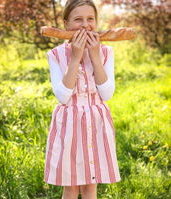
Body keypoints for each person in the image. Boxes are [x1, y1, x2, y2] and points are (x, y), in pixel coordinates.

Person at [44, 0, 121, 198]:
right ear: (66, 23)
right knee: (70, 187)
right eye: (78, 19)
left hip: (97, 124)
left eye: (90, 19)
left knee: (90, 186)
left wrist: (95, 56)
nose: (85, 25)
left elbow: (107, 95)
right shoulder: (55, 55)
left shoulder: (106, 52)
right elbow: (62, 96)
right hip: (69, 126)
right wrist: (75, 57)